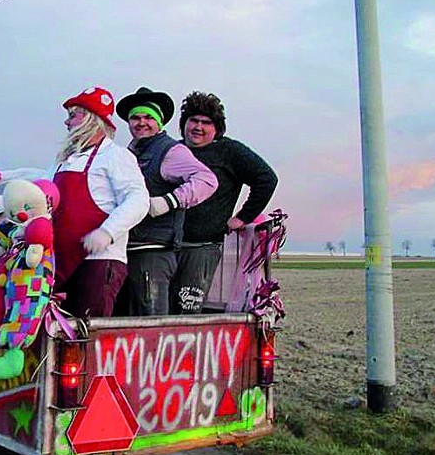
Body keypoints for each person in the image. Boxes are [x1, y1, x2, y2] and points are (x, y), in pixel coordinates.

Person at [114, 87, 219, 316]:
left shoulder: (171, 151)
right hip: (128, 251)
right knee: (126, 318)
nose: (142, 122)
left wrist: (169, 201)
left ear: (159, 122)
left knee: (150, 321)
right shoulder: (128, 153)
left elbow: (207, 180)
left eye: (149, 117)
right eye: (136, 117)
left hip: (153, 253)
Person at [172, 91, 278, 313]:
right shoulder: (173, 151)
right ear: (184, 123)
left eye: (206, 122)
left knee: (187, 308)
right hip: (164, 245)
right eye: (193, 120)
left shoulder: (228, 151)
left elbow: (266, 179)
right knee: (159, 308)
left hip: (202, 246)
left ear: (216, 128)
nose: (198, 127)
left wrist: (243, 218)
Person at [51, 86, 149, 318]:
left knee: (85, 335)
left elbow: (138, 199)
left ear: (91, 120)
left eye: (73, 115)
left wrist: (107, 232)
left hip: (99, 262)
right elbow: (41, 192)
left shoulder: (116, 156)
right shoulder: (67, 161)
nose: (67, 123)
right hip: (63, 263)